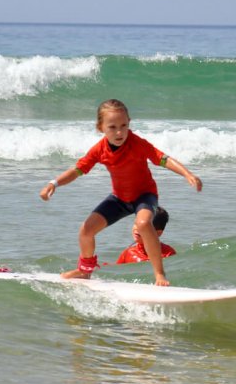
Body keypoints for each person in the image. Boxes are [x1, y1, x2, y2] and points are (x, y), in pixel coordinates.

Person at [39, 99, 201, 286]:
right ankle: (85, 271)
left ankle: (159, 274)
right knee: (86, 230)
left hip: (145, 195)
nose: (119, 132)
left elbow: (162, 158)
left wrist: (187, 174)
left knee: (143, 223)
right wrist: (54, 183)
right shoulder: (99, 150)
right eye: (112, 127)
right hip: (120, 199)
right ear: (101, 128)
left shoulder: (137, 143)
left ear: (129, 123)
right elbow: (77, 170)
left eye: (124, 126)